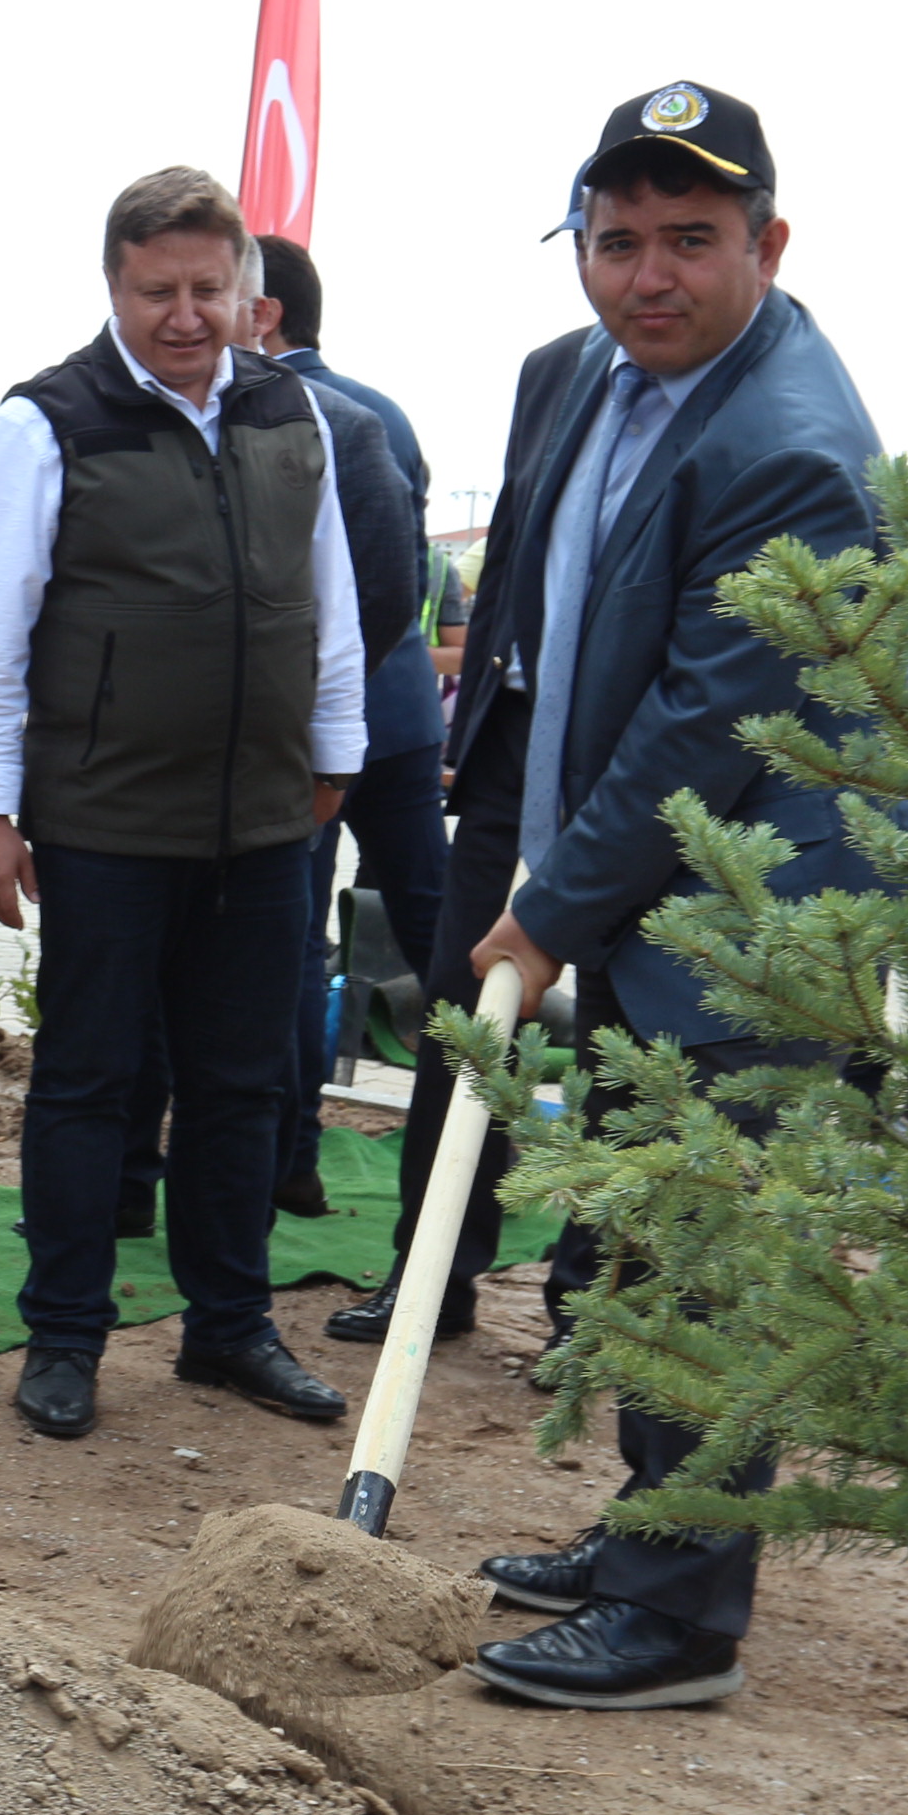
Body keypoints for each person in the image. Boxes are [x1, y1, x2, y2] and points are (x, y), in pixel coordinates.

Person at [460, 81, 884, 1711]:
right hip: (629, 882)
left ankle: (680, 1619)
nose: (645, 274)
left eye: (690, 241)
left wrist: (550, 899)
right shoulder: (585, 375)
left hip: (747, 913)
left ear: (765, 244)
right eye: (615, 237)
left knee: (708, 1259)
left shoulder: (791, 444)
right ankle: (651, 1526)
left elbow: (700, 728)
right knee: (639, 1239)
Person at [0, 168, 364, 1443]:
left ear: (249, 288)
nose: (185, 315)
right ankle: (65, 1334)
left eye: (208, 288)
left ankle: (229, 1325)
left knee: (246, 1084)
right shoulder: (46, 424)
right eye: (156, 291)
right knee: (90, 1083)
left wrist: (335, 742)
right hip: (104, 819)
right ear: (114, 287)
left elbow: (330, 592)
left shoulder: (292, 412)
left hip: (261, 819)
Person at [326, 324, 593, 1352]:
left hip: (640, 748)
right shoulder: (555, 370)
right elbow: (519, 548)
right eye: (607, 239)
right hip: (510, 741)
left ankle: (589, 1306)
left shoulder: (732, 385)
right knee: (460, 1009)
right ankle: (434, 1274)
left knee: (618, 1022)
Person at [250, 236, 451, 1218]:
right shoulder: (389, 411)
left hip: (314, 719)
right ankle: (468, 1159)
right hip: (404, 714)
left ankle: (293, 1158)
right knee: (437, 934)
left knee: (296, 944)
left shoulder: (268, 413)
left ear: (267, 312)